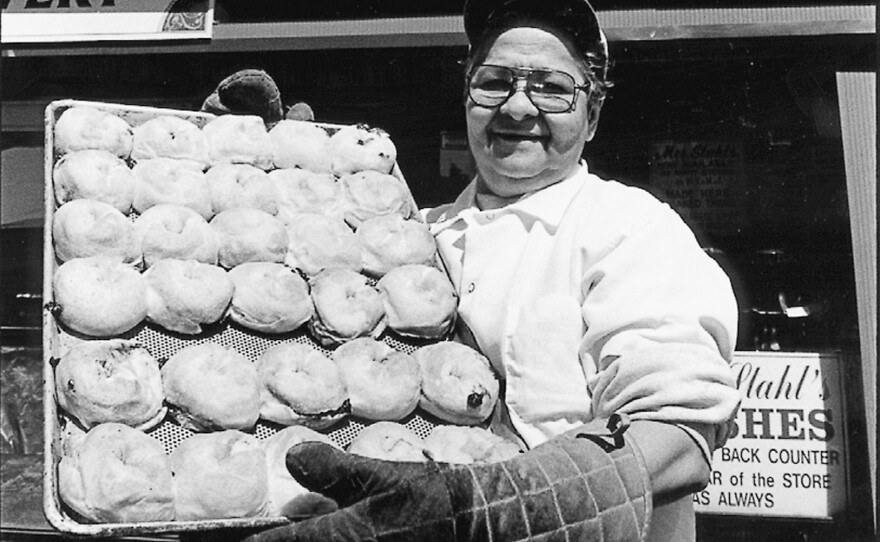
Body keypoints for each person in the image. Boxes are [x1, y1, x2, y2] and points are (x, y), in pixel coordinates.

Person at [212, 1, 741, 540]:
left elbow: (678, 437)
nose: (516, 108)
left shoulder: (628, 227)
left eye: (552, 88)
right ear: (467, 99)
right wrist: (259, 172)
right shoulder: (415, 232)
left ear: (593, 116)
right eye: (494, 82)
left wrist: (498, 502)